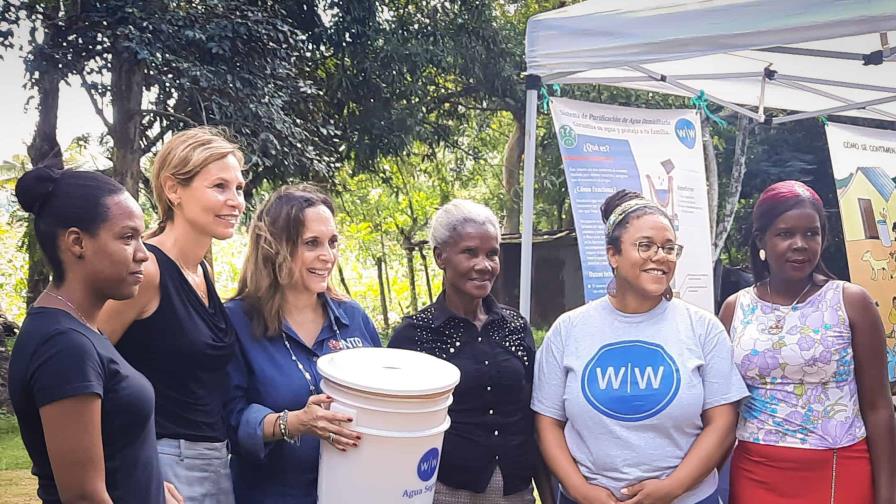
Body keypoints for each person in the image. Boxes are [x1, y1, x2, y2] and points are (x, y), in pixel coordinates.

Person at [533, 190, 748, 504]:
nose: (660, 256)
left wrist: (673, 488)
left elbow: (723, 422)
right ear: (613, 255)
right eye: (645, 245)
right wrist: (580, 490)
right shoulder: (569, 329)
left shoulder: (703, 329)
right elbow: (548, 422)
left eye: (669, 248)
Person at [9, 161, 182, 503]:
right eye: (127, 237)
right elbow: (84, 497)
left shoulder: (81, 330)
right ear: (77, 243)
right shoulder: (63, 347)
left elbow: (113, 449)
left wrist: (150, 484)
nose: (143, 255)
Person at [720, 180, 896, 504]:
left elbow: (878, 407)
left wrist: (888, 494)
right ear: (761, 240)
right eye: (785, 234)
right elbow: (723, 407)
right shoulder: (735, 308)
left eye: (811, 234)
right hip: (756, 473)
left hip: (837, 469)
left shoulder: (851, 302)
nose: (800, 244)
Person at [98, 127, 245, 503]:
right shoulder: (147, 269)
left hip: (213, 461)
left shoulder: (202, 271)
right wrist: (133, 470)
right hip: (164, 463)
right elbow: (82, 365)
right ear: (173, 189)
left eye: (239, 188)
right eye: (220, 187)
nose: (236, 201)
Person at [224, 185, 381, 503]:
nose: (328, 256)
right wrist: (292, 423)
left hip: (355, 492)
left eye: (332, 242)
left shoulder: (353, 318)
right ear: (274, 248)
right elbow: (227, 420)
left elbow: (382, 402)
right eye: (312, 243)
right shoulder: (236, 321)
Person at [390, 199, 553, 504]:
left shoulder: (515, 327)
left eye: (492, 254)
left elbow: (533, 416)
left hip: (514, 490)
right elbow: (396, 430)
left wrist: (547, 494)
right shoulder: (414, 336)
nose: (484, 265)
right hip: (442, 489)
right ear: (440, 256)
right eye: (469, 252)